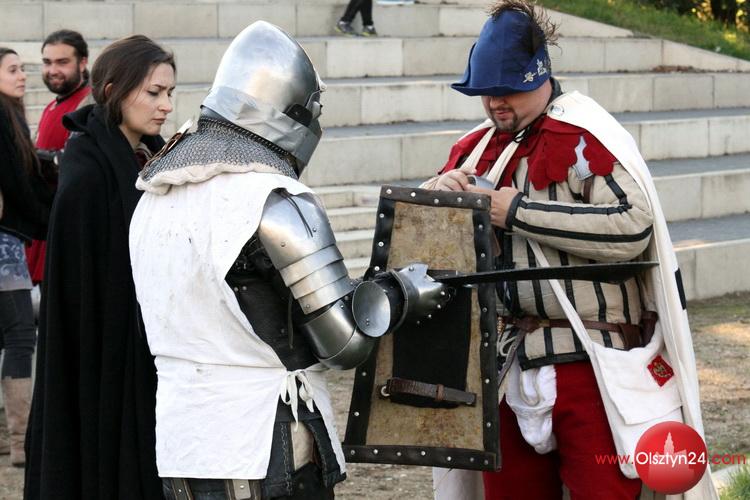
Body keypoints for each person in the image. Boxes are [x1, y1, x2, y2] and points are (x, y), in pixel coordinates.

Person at [129, 21, 447, 500]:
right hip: (265, 442)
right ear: (293, 113)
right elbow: (344, 345)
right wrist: (399, 293)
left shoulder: (155, 196)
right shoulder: (273, 202)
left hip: (185, 441)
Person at [423, 2, 717, 499]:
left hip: (594, 365)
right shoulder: (474, 149)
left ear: (539, 76)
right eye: (486, 92)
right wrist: (438, 197)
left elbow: (631, 226)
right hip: (505, 365)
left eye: (507, 89)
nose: (495, 102)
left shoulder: (584, 138)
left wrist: (516, 211)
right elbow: (431, 256)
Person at [24, 35, 175, 499]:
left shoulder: (153, 157)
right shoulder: (88, 171)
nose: (166, 106)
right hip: (104, 355)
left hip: (149, 346)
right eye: (154, 92)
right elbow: (81, 293)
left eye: (170, 92)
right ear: (113, 91)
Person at [0, 48, 53, 468]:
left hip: (9, 239)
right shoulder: (2, 119)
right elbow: (17, 182)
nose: (23, 76)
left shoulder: (11, 115)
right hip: (4, 245)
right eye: (13, 70)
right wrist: (48, 221)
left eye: (22, 69)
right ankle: (20, 442)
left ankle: (11, 439)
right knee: (20, 336)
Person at [25, 29, 92, 288]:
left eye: (62, 62)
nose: (53, 70)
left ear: (82, 62)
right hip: (45, 221)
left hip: (67, 227)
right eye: (47, 62)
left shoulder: (88, 106)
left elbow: (79, 167)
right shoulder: (51, 106)